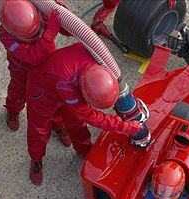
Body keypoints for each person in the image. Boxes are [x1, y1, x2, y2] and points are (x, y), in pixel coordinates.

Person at [25, 42, 143, 185]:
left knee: (76, 122)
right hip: (41, 88)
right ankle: (36, 159)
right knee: (39, 129)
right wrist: (125, 127)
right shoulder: (67, 87)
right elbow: (93, 117)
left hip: (60, 79)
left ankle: (84, 148)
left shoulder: (95, 55)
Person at [0, 0, 70, 146]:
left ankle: (58, 123)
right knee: (18, 91)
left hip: (47, 65)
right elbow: (32, 58)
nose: (35, 37)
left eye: (37, 32)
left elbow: (68, 30)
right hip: (22, 68)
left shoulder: (40, 10)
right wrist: (48, 35)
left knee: (52, 96)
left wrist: (59, 9)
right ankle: (13, 109)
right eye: (29, 37)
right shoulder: (6, 35)